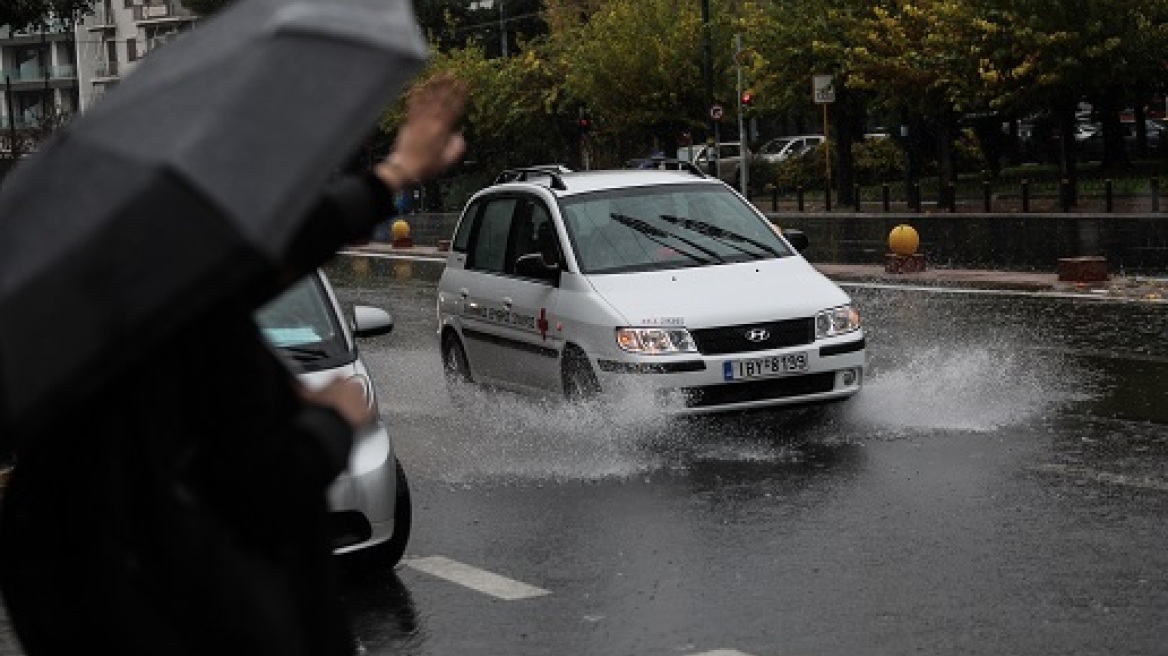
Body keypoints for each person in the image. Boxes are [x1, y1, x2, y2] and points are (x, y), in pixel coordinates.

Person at [0, 74, 468, 656]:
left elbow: (267, 255)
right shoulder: (192, 342)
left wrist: (391, 177)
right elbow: (266, 486)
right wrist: (330, 422)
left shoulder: (67, 347)